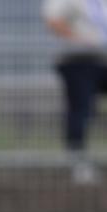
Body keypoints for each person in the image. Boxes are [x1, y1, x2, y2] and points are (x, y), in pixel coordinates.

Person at [43, 0, 107, 184]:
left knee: (83, 110)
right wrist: (80, 41)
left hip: (102, 60)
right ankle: (78, 162)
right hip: (77, 61)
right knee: (81, 110)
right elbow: (53, 20)